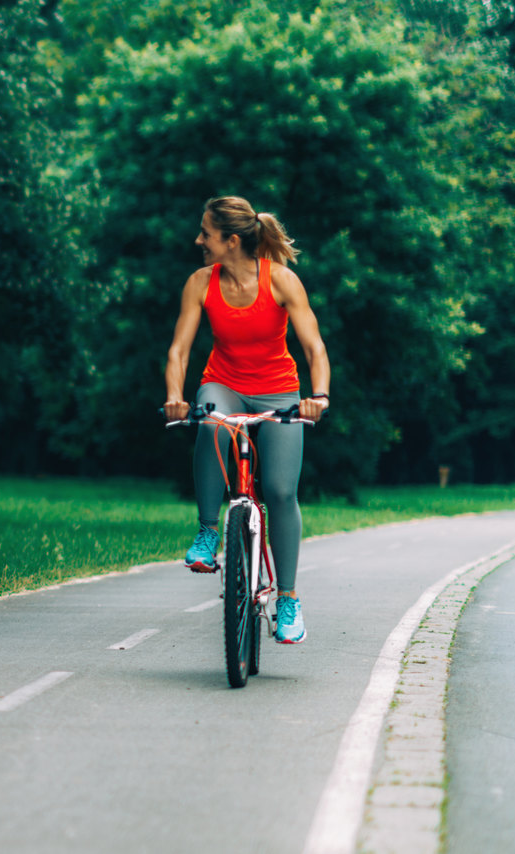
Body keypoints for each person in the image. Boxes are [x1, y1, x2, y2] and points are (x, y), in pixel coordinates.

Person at [163, 196, 330, 644]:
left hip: (278, 388)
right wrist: (176, 397)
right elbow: (180, 349)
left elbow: (314, 347)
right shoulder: (201, 283)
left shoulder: (282, 281)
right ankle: (207, 532)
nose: (198, 240)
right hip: (224, 382)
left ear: (231, 240)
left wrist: (318, 396)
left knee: (279, 491)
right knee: (212, 421)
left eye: (206, 233)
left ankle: (289, 599)